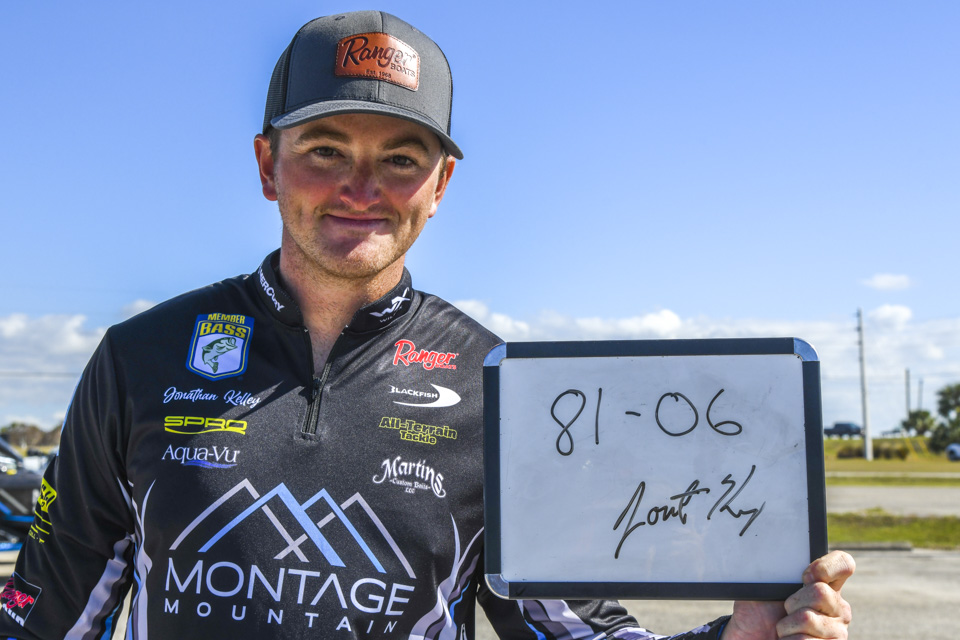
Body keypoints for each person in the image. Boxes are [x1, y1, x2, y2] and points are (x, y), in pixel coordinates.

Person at [0, 11, 853, 640]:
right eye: (325, 149)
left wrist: (738, 637)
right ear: (268, 165)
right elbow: (47, 612)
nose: (361, 187)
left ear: (440, 185)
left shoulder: (500, 389)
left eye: (401, 159)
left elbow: (571, 629)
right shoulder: (140, 357)